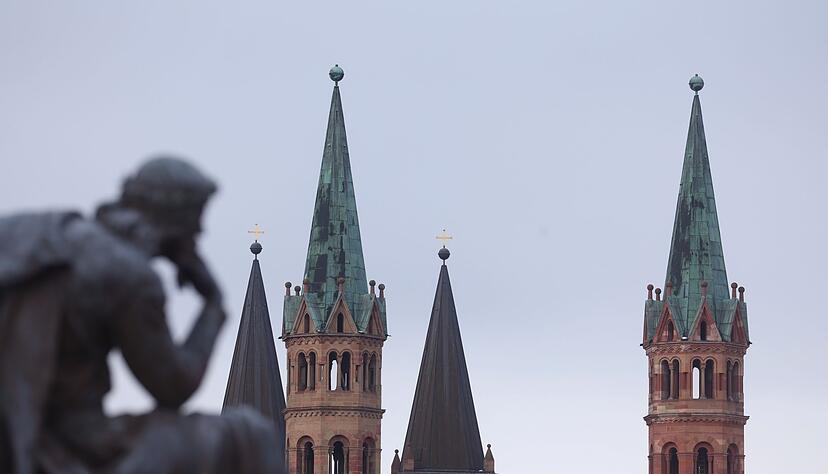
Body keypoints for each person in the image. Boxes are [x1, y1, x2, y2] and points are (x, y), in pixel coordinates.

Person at [0, 157, 283, 474]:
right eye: (195, 220)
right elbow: (173, 387)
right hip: (72, 439)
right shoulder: (131, 276)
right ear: (174, 221)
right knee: (249, 435)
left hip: (20, 420)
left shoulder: (44, 231)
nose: (200, 230)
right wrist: (212, 305)